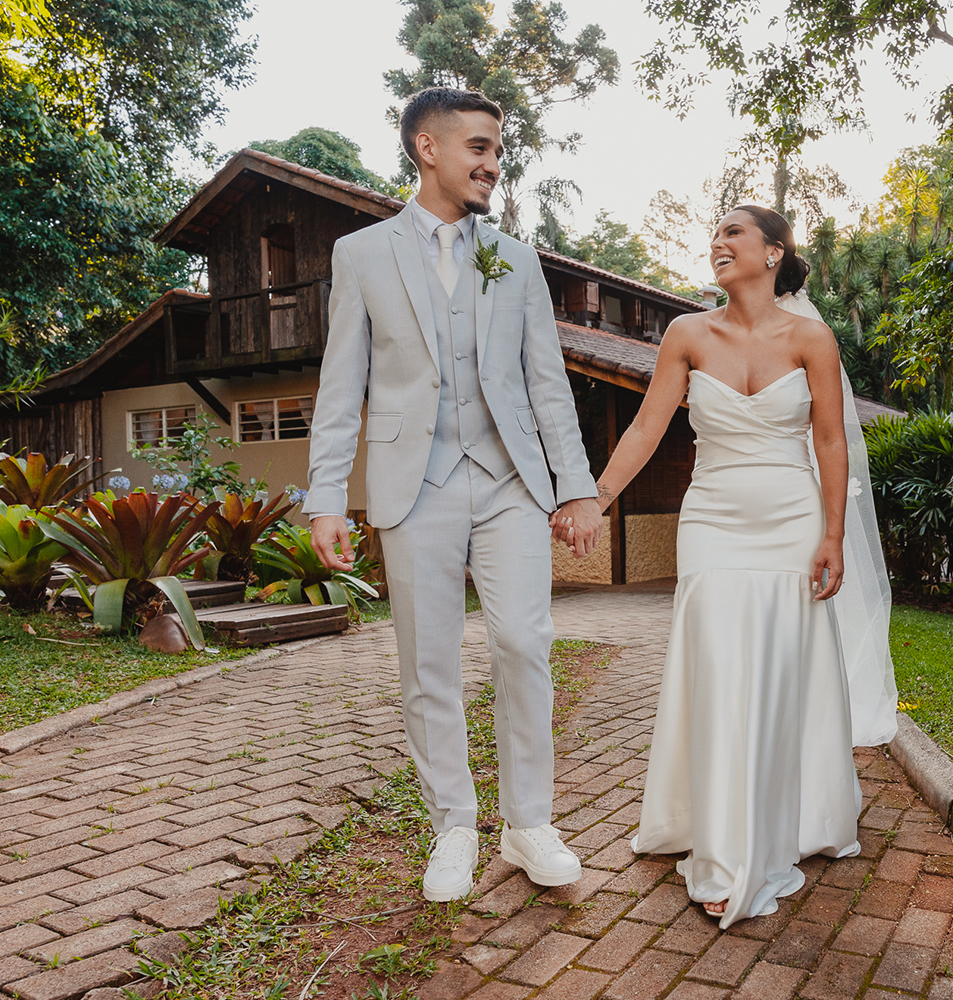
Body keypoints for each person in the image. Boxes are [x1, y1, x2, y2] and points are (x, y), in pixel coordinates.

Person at [304, 87, 605, 902]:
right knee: (428, 664)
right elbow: (343, 388)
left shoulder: (515, 257)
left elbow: (547, 385)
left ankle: (529, 823)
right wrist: (325, 497)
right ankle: (454, 826)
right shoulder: (361, 254)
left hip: (508, 480)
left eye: (497, 151)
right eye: (478, 147)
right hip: (414, 485)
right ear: (426, 148)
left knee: (523, 642)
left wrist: (576, 488)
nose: (492, 164)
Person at [594, 205, 898, 927]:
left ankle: (796, 814)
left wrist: (832, 535)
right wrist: (597, 496)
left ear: (772, 252)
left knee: (784, 668)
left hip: (791, 521)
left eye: (734, 232)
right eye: (714, 235)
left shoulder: (813, 338)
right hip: (714, 522)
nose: (718, 242)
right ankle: (726, 847)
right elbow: (647, 425)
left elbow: (830, 441)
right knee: (722, 666)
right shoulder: (687, 334)